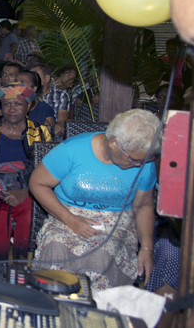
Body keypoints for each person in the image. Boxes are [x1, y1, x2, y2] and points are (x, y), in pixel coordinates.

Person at [31, 109, 159, 291]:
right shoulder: (73, 150)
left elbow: (144, 205)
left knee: (102, 259)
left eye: (145, 160)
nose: (139, 164)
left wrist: (147, 248)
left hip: (116, 224)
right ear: (114, 143)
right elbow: (37, 183)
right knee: (56, 250)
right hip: (66, 218)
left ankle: (93, 316)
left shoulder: (144, 163)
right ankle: (52, 310)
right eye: (134, 159)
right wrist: (70, 220)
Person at [0, 84, 52, 260]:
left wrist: (26, 192)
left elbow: (50, 173)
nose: (12, 109)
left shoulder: (40, 132)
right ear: (1, 107)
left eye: (18, 104)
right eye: (7, 104)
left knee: (30, 211)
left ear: (29, 106)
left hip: (26, 191)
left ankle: (21, 264)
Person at [34, 63, 69, 138]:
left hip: (52, 134)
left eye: (36, 75)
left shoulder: (61, 95)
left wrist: (53, 127)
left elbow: (62, 122)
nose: (33, 78)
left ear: (47, 78)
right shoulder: (29, 94)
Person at [20, 70, 56, 135]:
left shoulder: (45, 108)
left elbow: (49, 134)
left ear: (34, 89)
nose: (17, 86)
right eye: (16, 82)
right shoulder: (9, 105)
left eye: (22, 83)